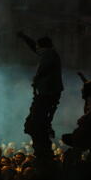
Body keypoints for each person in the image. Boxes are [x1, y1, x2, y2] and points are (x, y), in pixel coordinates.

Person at [17, 32, 63, 162]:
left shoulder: (49, 54)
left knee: (36, 122)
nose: (36, 50)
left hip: (47, 93)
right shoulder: (49, 53)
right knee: (37, 122)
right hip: (48, 93)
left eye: (38, 47)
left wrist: (36, 79)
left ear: (42, 46)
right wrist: (26, 38)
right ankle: (45, 129)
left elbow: (44, 68)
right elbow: (35, 48)